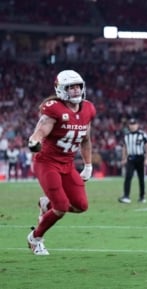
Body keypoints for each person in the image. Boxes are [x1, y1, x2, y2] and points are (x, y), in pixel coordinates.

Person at [27, 70, 96, 255]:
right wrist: (35, 140)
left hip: (67, 164)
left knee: (81, 206)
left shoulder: (88, 108)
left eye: (77, 86)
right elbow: (42, 129)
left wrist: (88, 164)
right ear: (61, 89)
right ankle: (35, 237)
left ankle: (46, 205)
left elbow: (86, 139)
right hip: (47, 163)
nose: (75, 90)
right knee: (61, 207)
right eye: (70, 87)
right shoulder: (53, 109)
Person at [118, 118, 147, 204]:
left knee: (141, 178)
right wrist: (124, 158)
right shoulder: (126, 135)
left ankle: (142, 196)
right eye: (131, 124)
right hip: (130, 158)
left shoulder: (142, 134)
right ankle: (126, 196)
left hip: (140, 157)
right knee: (128, 177)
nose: (132, 126)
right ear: (129, 126)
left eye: (134, 124)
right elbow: (124, 147)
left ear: (137, 125)